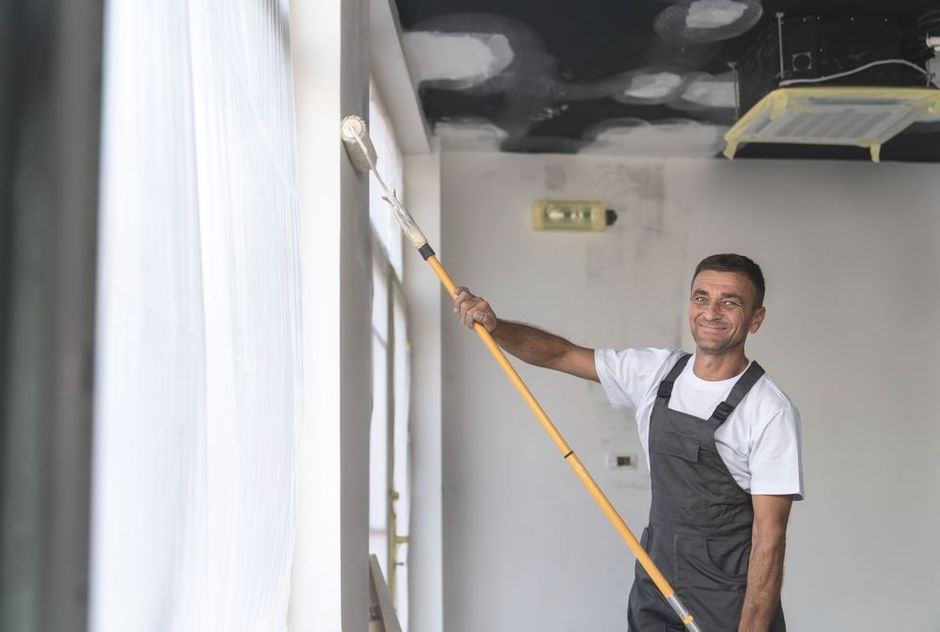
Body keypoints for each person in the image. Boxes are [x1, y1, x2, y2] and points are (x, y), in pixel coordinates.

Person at [452, 253, 802, 632]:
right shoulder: (657, 372)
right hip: (657, 577)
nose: (711, 312)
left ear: (756, 318)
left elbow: (769, 538)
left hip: (726, 596)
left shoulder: (769, 410)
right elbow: (561, 353)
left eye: (729, 302)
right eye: (701, 298)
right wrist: (496, 326)